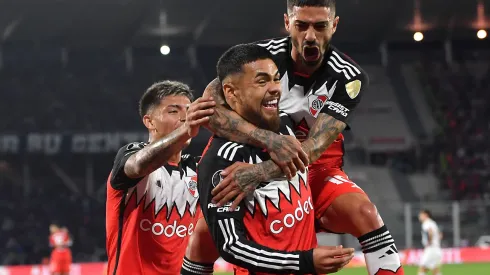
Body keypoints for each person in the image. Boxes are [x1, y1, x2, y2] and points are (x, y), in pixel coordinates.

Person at [185, 1, 405, 275]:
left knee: (365, 214)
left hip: (316, 166)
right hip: (253, 153)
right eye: (301, 25)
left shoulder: (349, 76)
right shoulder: (260, 58)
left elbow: (313, 148)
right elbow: (209, 107)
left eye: (320, 26)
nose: (310, 36)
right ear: (288, 24)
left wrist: (260, 172)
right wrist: (267, 139)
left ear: (333, 26)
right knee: (204, 238)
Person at [182, 43, 354, 275]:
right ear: (231, 92)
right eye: (262, 81)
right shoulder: (220, 161)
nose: (275, 89)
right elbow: (232, 245)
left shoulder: (285, 125)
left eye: (275, 79)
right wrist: (304, 261)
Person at [105, 80, 215, 275]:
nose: (184, 117)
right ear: (149, 121)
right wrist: (186, 129)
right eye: (173, 111)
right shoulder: (130, 157)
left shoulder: (199, 169)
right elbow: (138, 165)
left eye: (189, 111)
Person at [418, 209, 443, 275]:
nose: (419, 217)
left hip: (431, 248)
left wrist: (429, 242)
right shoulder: (433, 223)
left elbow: (430, 232)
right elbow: (440, 235)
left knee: (422, 267)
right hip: (436, 247)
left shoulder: (426, 223)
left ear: (426, 215)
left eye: (421, 215)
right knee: (435, 269)